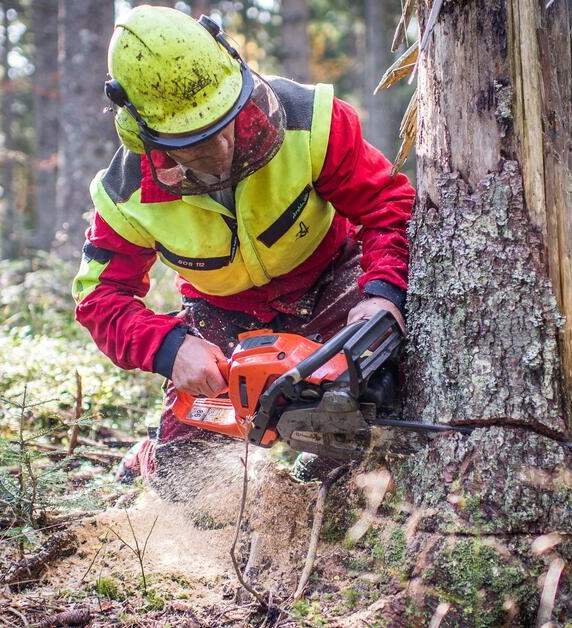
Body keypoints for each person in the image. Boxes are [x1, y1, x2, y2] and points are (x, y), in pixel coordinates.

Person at [72, 5, 413, 483]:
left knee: (375, 391)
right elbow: (98, 298)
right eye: (194, 141)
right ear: (146, 134)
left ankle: (326, 473)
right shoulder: (126, 195)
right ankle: (149, 456)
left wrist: (383, 294)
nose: (222, 150)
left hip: (331, 280)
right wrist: (171, 349)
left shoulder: (309, 121)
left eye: (222, 126)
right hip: (222, 315)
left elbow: (387, 202)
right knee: (183, 478)